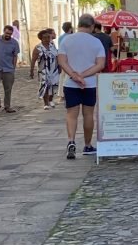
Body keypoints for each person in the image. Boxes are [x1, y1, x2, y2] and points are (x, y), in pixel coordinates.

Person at [58, 15, 106, 159]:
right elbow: (100, 64)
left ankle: (71, 141)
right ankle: (87, 144)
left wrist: (74, 75)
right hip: (89, 83)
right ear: (91, 26)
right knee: (88, 114)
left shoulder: (67, 40)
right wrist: (83, 76)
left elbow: (62, 61)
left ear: (78, 25)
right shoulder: (96, 42)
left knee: (71, 114)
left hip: (71, 83)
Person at [0, 24, 20, 112]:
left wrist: (13, 67)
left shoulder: (14, 43)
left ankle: (7, 106)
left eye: (10, 34)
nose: (8, 35)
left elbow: (15, 55)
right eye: (7, 33)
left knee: (8, 88)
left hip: (8, 68)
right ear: (3, 31)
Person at [30, 28, 60, 110]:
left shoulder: (52, 46)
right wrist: (31, 70)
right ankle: (45, 103)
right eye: (45, 38)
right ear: (41, 38)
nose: (47, 39)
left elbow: (57, 56)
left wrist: (59, 66)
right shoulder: (38, 48)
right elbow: (33, 60)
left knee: (53, 85)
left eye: (48, 37)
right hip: (43, 70)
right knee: (45, 85)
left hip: (53, 69)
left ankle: (51, 100)